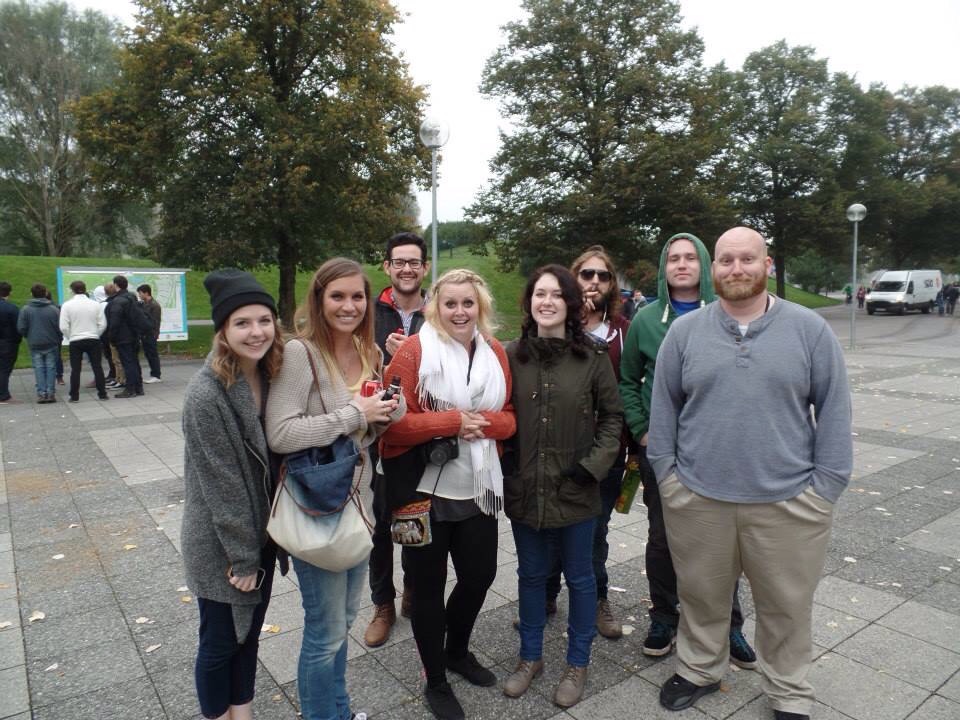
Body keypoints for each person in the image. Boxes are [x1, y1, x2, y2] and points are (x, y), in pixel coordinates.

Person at [648, 226, 852, 720]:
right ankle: (699, 668)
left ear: (767, 263)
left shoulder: (808, 330)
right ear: (712, 268)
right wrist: (670, 480)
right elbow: (664, 411)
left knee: (786, 606)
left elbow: (834, 409)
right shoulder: (685, 332)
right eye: (725, 260)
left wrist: (824, 489)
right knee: (700, 595)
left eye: (746, 259)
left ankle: (788, 690)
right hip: (698, 498)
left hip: (788, 502)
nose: (736, 269)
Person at [266, 258, 403, 720]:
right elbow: (281, 434)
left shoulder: (371, 354)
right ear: (319, 300)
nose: (349, 305)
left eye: (357, 296)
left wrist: (388, 413)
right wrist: (356, 415)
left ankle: (338, 711)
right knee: (324, 633)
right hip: (317, 508)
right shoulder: (301, 354)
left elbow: (361, 440)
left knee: (343, 625)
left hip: (358, 507)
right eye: (337, 296)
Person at [380, 268, 515, 720]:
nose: (459, 311)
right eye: (450, 303)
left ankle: (456, 650)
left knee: (480, 576)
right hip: (420, 490)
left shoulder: (495, 352)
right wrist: (453, 421)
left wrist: (485, 424)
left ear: (481, 307)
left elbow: (509, 418)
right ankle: (434, 678)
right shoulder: (415, 352)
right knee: (428, 589)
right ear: (434, 307)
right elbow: (390, 427)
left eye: (468, 303)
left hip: (478, 487)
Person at [619, 233, 756, 666]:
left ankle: (728, 624)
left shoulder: (727, 314)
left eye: (689, 258)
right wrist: (642, 431)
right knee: (662, 538)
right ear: (664, 268)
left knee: (724, 540)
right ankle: (663, 615)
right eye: (672, 259)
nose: (681, 265)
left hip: (718, 449)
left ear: (704, 264)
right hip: (662, 451)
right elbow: (628, 380)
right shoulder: (645, 319)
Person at [502, 265, 622, 709]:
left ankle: (577, 662)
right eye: (539, 294)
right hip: (525, 489)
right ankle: (530, 657)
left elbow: (612, 418)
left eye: (556, 294)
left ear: (571, 304)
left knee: (580, 578)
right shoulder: (510, 355)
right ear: (529, 302)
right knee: (531, 575)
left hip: (577, 489)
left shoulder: (591, 358)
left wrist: (592, 467)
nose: (546, 301)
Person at [181, 269, 284, 720]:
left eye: (264, 320)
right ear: (223, 330)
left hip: (256, 535)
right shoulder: (206, 394)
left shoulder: (269, 374)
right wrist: (243, 559)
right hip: (221, 543)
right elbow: (222, 486)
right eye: (242, 323)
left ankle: (242, 715)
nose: (256, 331)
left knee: (250, 637)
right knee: (220, 642)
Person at [537, 246, 631, 639]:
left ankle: (596, 599)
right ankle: (544, 595)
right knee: (551, 529)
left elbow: (627, 391)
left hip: (605, 451)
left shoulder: (622, 331)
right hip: (556, 447)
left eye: (603, 276)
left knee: (595, 530)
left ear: (612, 285)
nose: (594, 281)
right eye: (586, 274)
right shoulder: (555, 324)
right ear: (572, 280)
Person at [364, 231, 429, 648]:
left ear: (424, 268)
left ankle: (413, 590)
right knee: (378, 523)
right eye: (399, 262)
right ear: (387, 267)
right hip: (373, 434)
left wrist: (417, 353)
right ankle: (382, 603)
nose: (407, 269)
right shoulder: (370, 312)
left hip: (419, 433)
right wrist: (384, 359)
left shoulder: (440, 312)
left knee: (416, 515)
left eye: (414, 262)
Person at [59, 280, 109, 402]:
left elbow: (63, 326)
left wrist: (71, 336)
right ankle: (102, 393)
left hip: (76, 339)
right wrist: (96, 334)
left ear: (72, 290)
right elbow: (103, 324)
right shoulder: (95, 304)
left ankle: (74, 396)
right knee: (97, 367)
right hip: (93, 339)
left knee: (76, 369)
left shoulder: (67, 305)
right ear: (85, 289)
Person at [17, 283, 61, 404]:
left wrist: (29, 335)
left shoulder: (25, 309)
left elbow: (21, 327)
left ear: (32, 294)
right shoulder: (54, 309)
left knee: (39, 368)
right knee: (51, 367)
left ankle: (42, 393)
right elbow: (59, 327)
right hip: (51, 341)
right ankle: (50, 392)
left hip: (34, 341)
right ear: (45, 293)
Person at [105, 276, 145, 397]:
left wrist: (111, 337)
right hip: (134, 335)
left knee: (128, 363)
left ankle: (130, 389)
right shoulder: (132, 298)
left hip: (123, 337)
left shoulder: (118, 301)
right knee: (134, 362)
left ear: (116, 285)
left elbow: (115, 322)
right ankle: (138, 388)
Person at [137, 283, 163, 383]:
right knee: (148, 354)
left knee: (152, 354)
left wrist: (155, 334)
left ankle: (156, 375)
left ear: (146, 293)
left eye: (140, 293)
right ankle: (154, 374)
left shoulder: (154, 305)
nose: (139, 295)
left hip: (151, 333)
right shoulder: (144, 304)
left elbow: (155, 321)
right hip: (144, 333)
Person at [0, 282, 21, 404]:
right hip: (8, 343)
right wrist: (17, 340)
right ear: (9, 293)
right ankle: (3, 395)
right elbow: (18, 327)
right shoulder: (11, 308)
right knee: (4, 369)